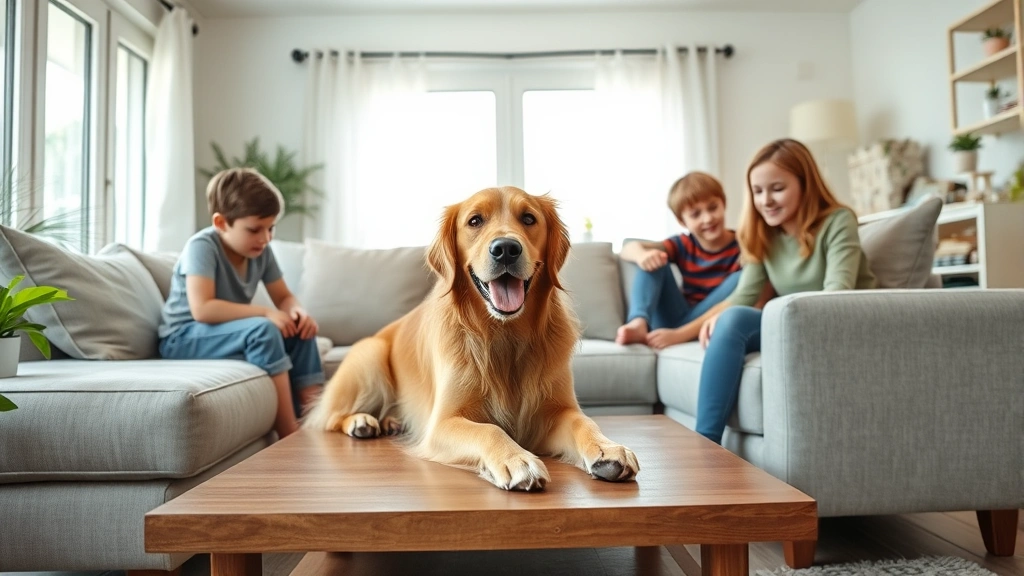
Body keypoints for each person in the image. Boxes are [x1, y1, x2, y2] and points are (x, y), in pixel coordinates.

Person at [694, 138, 877, 444]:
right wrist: (719, 317)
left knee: (736, 319)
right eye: (758, 191)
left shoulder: (837, 221)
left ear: (805, 184)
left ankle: (703, 445)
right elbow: (745, 294)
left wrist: (733, 316)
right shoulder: (763, 232)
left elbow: (836, 293)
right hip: (794, 324)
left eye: (777, 188)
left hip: (845, 323)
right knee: (732, 318)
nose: (766, 200)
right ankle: (705, 446)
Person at [158, 167, 323, 439]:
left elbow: (283, 297)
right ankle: (289, 432)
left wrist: (297, 311)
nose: (266, 238)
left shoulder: (260, 250)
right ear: (221, 223)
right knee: (264, 329)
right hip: (183, 337)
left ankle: (319, 419)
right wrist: (266, 313)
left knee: (300, 329)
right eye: (255, 229)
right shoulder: (202, 247)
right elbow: (203, 309)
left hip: (222, 334)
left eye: (270, 228)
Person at [615, 171, 742, 350]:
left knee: (742, 278)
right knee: (654, 257)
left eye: (713, 208)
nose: (707, 218)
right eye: (695, 214)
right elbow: (627, 249)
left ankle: (679, 333)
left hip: (710, 321)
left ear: (724, 204)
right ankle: (638, 321)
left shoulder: (744, 245)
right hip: (675, 318)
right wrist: (642, 256)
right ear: (682, 221)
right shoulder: (682, 244)